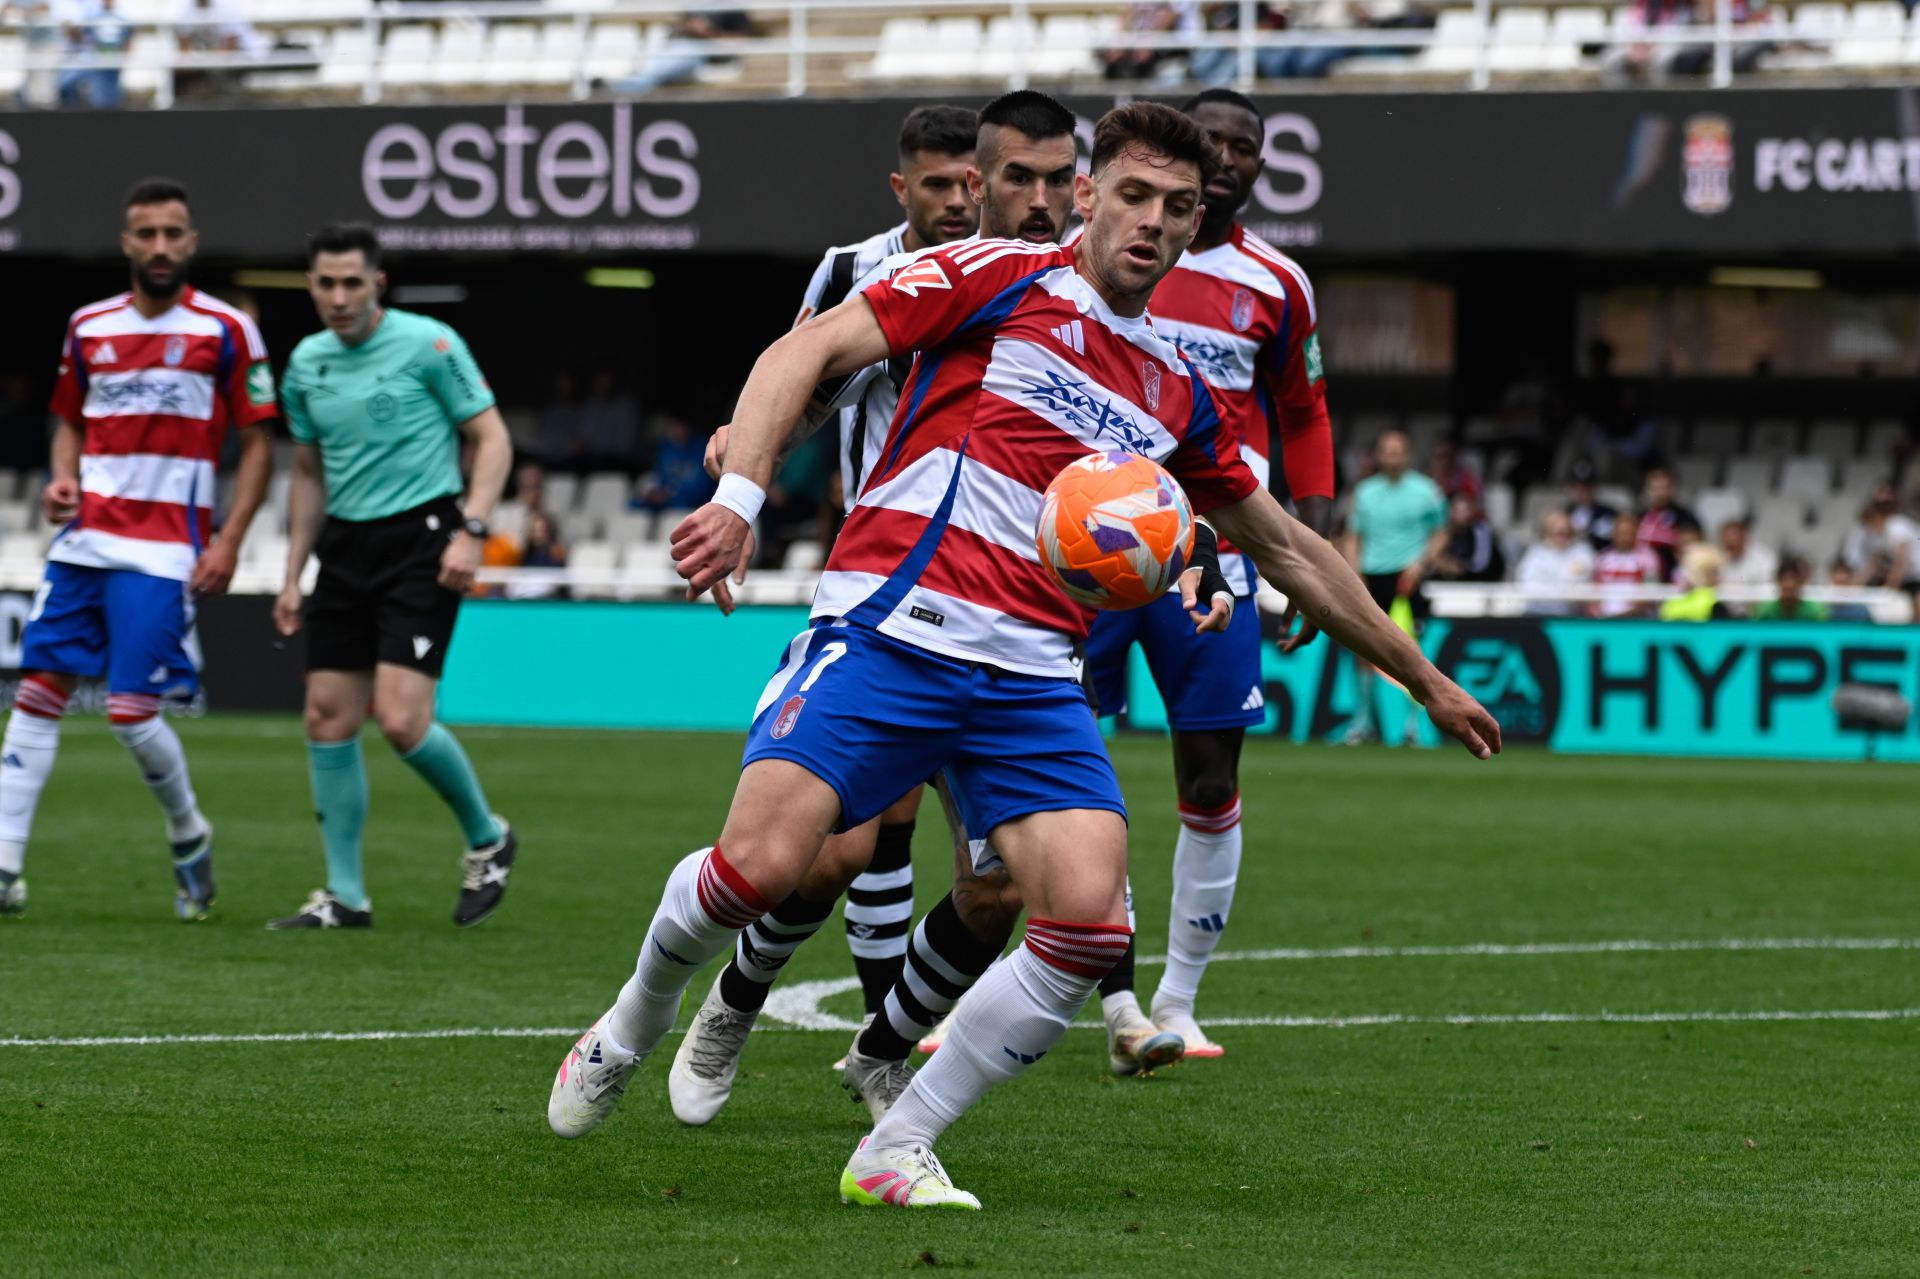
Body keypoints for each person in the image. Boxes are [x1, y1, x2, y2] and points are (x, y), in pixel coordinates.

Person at [547, 102, 1500, 1213]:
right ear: (1088, 196)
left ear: (1197, 227)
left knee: (1088, 918)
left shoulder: (1177, 393)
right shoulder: (992, 275)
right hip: (889, 629)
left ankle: (896, 1142)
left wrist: (1422, 677)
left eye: (1178, 207)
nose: (1152, 222)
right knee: (761, 866)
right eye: (1134, 195)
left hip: (1032, 676)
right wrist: (740, 501)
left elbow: (1286, 546)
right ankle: (635, 1018)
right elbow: (808, 347)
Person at [667, 94, 1069, 1127]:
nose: (955, 200)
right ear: (913, 188)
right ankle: (733, 1004)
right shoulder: (860, 271)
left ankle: (882, 1044)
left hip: (1022, 608)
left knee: (997, 885)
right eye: (938, 186)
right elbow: (802, 382)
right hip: (882, 587)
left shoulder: (1057, 283)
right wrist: (741, 477)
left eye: (966, 184)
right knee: (837, 853)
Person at [1080, 87, 1336, 1071]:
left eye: (1244, 148)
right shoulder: (1101, 258)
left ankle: (1178, 1002)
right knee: (1049, 763)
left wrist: (1302, 553)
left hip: (1216, 565)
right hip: (1090, 555)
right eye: (1211, 143)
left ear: (1259, 168)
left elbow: (1303, 412)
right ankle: (1080, 986)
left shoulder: (1277, 282)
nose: (1225, 159)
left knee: (1211, 778)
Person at [0, 179, 275, 920]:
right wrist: (62, 478)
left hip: (164, 549)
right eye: (145, 233)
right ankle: (4, 862)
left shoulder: (227, 329)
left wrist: (231, 538)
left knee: (129, 712)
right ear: (126, 242)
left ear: (192, 241)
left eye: (172, 233)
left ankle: (188, 833)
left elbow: (258, 443)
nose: (159, 246)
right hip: (84, 538)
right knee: (38, 692)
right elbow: (68, 420)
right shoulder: (88, 325)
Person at [268, 224, 518, 931]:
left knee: (403, 720)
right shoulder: (305, 365)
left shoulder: (429, 343)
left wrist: (472, 529)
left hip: (424, 538)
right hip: (344, 548)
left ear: (377, 282)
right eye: (326, 283)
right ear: (311, 286)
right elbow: (308, 475)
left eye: (353, 282)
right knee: (327, 715)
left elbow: (492, 437)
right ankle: (345, 896)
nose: (339, 297)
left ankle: (487, 836)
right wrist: (292, 572)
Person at [1342, 429, 1446, 744]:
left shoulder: (1426, 491)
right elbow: (1353, 536)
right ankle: (1363, 720)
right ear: (1378, 455)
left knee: (1412, 652)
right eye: (1387, 450)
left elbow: (1441, 533)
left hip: (1407, 578)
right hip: (1372, 576)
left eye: (1398, 450)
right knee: (1364, 649)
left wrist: (1421, 563)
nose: (1393, 456)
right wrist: (1354, 571)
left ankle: (1413, 725)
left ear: (1408, 454)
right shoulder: (1365, 492)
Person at [606, 9, 751, 94]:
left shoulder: (733, 8)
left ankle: (633, 84)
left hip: (704, 53)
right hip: (678, 47)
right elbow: (676, 27)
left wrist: (708, 32)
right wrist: (687, 27)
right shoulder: (695, 7)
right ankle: (635, 81)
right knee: (671, 50)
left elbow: (739, 42)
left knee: (684, 51)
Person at [1513, 510, 1594, 616]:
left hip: (1571, 615)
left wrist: (1553, 587)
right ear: (1546, 533)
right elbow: (1526, 584)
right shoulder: (1535, 553)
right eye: (1557, 533)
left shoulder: (1582, 551)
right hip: (1537, 614)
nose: (1562, 537)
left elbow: (1582, 581)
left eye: (1566, 533)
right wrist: (1560, 590)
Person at [1591, 511, 1661, 618]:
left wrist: (1623, 616)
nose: (1625, 537)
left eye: (1629, 533)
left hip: (1635, 619)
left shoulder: (1648, 558)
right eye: (1621, 533)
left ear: (1636, 533)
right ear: (1614, 534)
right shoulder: (1602, 558)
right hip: (1604, 619)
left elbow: (1649, 593)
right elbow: (1593, 590)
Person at [1634, 466, 1699, 580]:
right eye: (1655, 488)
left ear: (1672, 489)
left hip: (1672, 580)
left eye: (1665, 488)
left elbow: (1694, 550)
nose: (1660, 493)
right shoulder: (1639, 517)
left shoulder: (1685, 518)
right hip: (1640, 580)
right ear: (1647, 490)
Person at [1429, 492, 1505, 583]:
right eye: (1459, 511)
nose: (1465, 515)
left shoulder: (1481, 531)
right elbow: (1432, 560)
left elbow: (1479, 566)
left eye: (1467, 510)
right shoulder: (1444, 532)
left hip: (1482, 583)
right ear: (1450, 512)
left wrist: (1454, 566)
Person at [1659, 544, 1729, 620]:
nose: (1719, 578)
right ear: (1706, 574)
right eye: (1716, 572)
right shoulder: (1714, 605)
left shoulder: (1670, 605)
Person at [1752, 556, 1829, 621]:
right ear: (1777, 581)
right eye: (1784, 579)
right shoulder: (1764, 611)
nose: (1789, 585)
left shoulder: (1815, 612)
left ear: (1801, 582)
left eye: (1792, 579)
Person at [1564, 458, 1618, 550]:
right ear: (1571, 488)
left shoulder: (1608, 514)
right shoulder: (1564, 514)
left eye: (1587, 487)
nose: (1582, 492)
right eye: (1578, 487)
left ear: (1594, 487)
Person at [1715, 517, 1778, 591]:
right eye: (1727, 545)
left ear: (1744, 538)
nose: (1729, 549)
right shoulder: (1719, 559)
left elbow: (1769, 587)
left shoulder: (1764, 558)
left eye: (1733, 543)